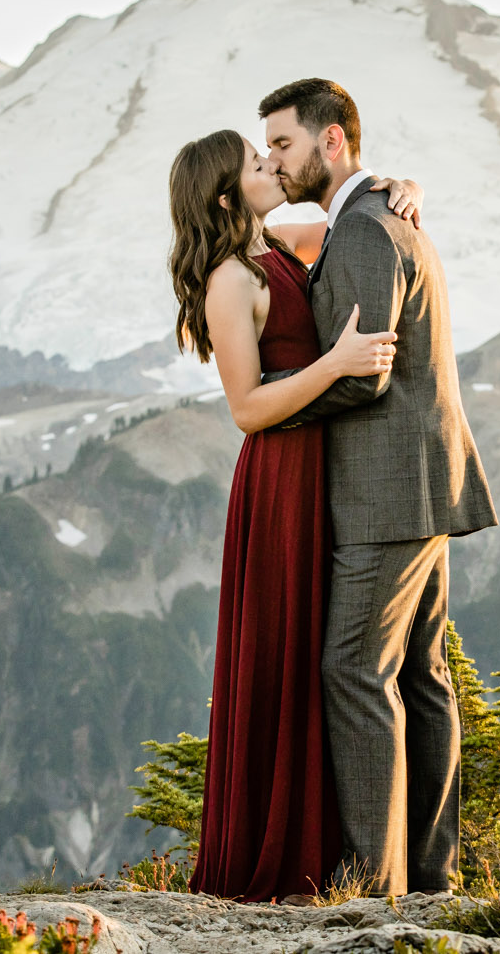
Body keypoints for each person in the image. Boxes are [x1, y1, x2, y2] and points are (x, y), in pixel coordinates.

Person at [165, 127, 424, 902]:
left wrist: (404, 189)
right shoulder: (226, 280)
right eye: (254, 163)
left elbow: (358, 221)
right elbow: (246, 407)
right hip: (279, 479)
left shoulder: (277, 246)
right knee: (284, 653)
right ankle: (276, 858)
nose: (271, 165)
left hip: (320, 472)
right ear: (223, 194)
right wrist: (336, 364)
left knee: (323, 653)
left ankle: (328, 852)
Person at [258, 78, 498, 898]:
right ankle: (430, 878)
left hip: (385, 489)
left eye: (284, 144)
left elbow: (365, 372)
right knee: (420, 674)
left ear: (332, 143)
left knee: (354, 669)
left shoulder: (364, 231)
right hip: (418, 483)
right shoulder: (382, 219)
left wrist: (270, 409)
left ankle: (375, 887)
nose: (275, 161)